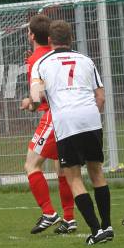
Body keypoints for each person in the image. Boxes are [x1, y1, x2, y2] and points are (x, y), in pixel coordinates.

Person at [30, 20, 113, 245]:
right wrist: (90, 115)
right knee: (97, 173)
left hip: (67, 122)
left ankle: (96, 231)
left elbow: (37, 100)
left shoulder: (41, 63)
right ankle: (107, 225)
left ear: (49, 41)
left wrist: (29, 102)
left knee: (74, 177)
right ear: (71, 39)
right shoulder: (86, 60)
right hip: (91, 118)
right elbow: (101, 97)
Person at [20, 15, 75, 234]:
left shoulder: (36, 59)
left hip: (53, 116)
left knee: (31, 164)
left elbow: (38, 98)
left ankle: (48, 212)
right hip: (72, 114)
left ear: (32, 35)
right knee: (63, 169)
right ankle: (69, 219)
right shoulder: (57, 53)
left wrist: (29, 103)